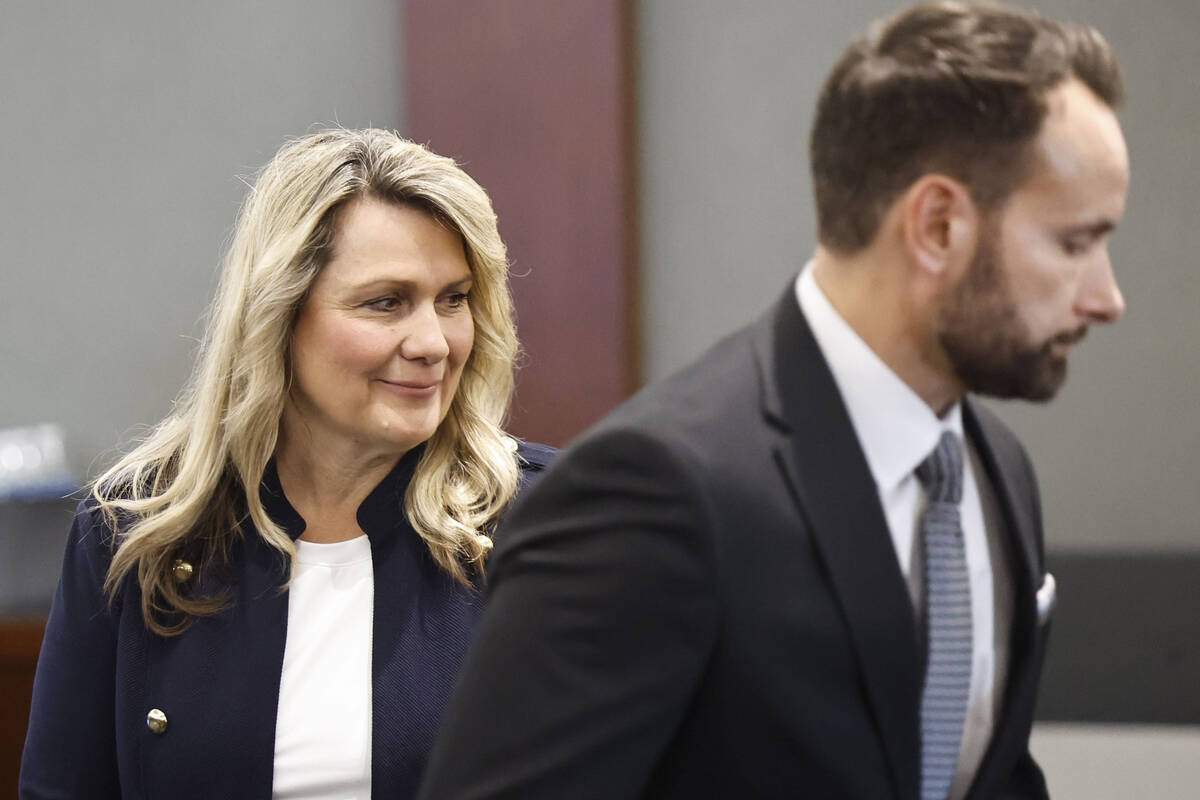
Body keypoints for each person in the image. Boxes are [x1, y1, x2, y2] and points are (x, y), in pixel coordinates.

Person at [417, 3, 1128, 799]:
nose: (1107, 297)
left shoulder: (996, 469)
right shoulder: (658, 487)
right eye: (1075, 243)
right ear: (937, 225)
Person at [20, 128, 554, 799]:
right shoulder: (135, 531)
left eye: (454, 300)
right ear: (278, 316)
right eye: (385, 302)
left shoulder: (550, 524)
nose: (432, 342)